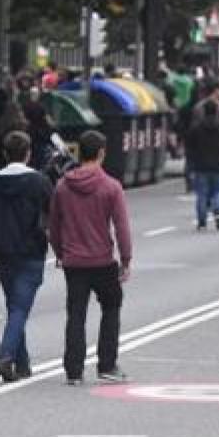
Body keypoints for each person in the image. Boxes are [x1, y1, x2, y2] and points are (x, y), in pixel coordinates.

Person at [48, 130, 133, 385]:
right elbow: (121, 226)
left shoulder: (63, 187)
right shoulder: (111, 187)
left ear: (79, 153)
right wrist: (126, 259)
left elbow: (54, 226)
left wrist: (60, 253)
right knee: (111, 305)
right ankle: (107, 364)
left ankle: (74, 370)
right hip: (102, 260)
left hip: (73, 261)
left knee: (76, 314)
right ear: (101, 153)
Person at [0, 130, 54, 381]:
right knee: (20, 307)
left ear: (5, 154)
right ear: (28, 154)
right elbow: (53, 216)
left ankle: (22, 364)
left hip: (3, 253)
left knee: (15, 306)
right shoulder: (40, 182)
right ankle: (5, 357)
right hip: (31, 252)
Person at [186, 99, 219, 231]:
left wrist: (191, 163)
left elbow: (190, 147)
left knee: (202, 193)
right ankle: (217, 208)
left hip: (201, 164)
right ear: (217, 111)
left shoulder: (196, 128)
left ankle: (202, 222)